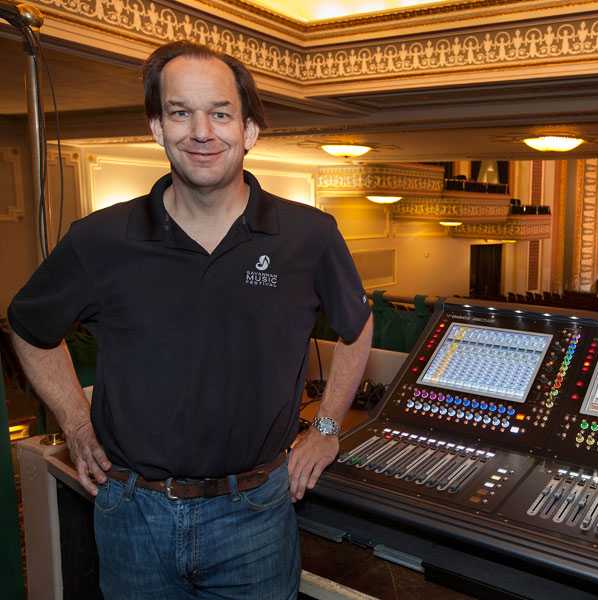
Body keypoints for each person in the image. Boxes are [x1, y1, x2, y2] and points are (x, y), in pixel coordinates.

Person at [8, 41, 373, 599]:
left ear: (249, 130)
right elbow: (30, 330)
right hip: (133, 515)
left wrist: (326, 429)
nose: (202, 131)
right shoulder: (100, 240)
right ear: (158, 127)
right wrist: (76, 423)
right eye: (181, 112)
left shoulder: (310, 236)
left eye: (220, 113)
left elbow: (356, 326)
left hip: (256, 513)